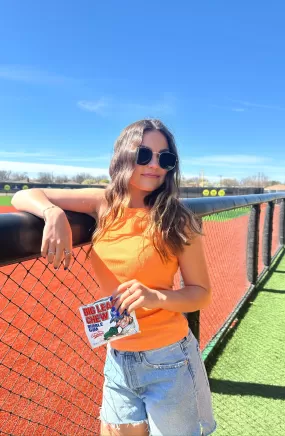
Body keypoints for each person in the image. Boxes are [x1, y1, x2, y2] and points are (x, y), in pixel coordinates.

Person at [12, 119, 216, 436]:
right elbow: (26, 195)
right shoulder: (102, 203)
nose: (154, 165)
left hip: (169, 360)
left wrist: (156, 296)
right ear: (123, 154)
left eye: (165, 158)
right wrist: (53, 214)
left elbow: (201, 293)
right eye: (144, 154)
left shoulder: (178, 219)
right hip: (118, 356)